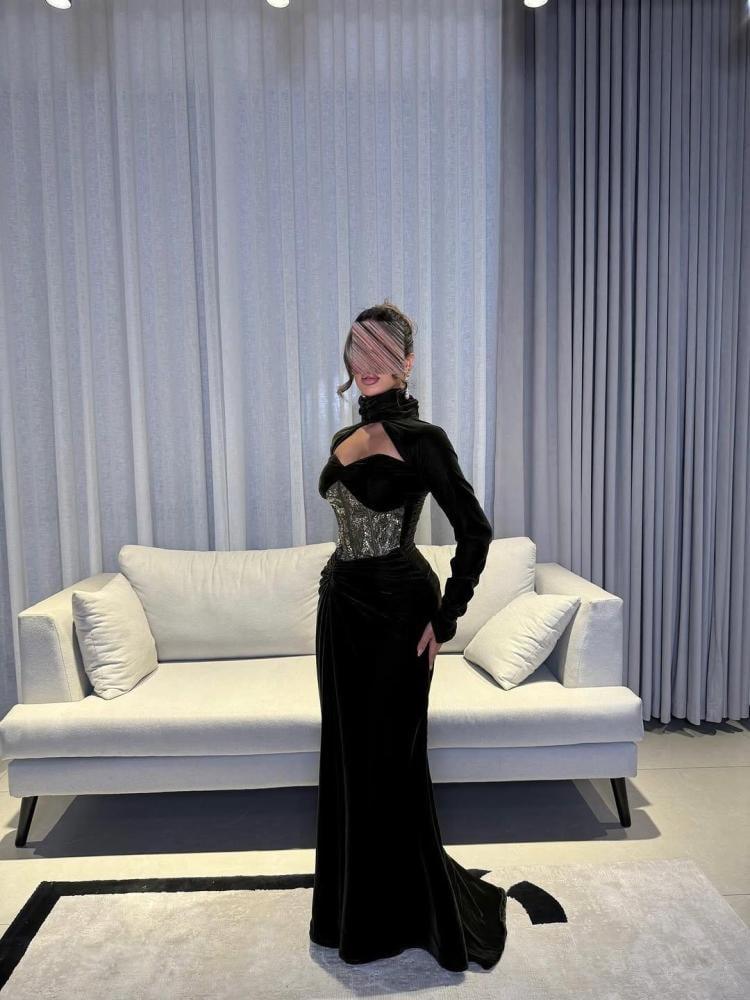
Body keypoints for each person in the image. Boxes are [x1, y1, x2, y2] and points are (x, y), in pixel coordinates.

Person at [309, 302, 508, 971]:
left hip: (397, 613)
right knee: (347, 757)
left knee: (389, 761)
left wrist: (446, 617)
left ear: (406, 362)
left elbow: (474, 530)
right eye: (357, 352)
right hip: (340, 609)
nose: (367, 366)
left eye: (381, 354)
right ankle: (350, 910)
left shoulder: (425, 439)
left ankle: (401, 917)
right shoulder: (344, 433)